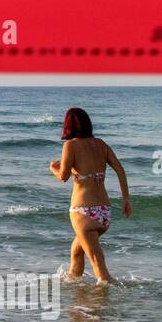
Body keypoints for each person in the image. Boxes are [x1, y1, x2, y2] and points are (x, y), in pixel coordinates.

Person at [49, 107, 130, 284]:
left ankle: (105, 304)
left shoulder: (70, 145)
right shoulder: (101, 144)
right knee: (77, 251)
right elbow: (120, 170)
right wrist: (126, 199)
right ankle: (75, 288)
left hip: (83, 212)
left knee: (99, 268)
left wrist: (53, 169)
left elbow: (63, 177)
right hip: (104, 213)